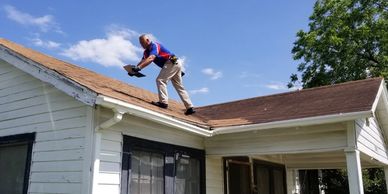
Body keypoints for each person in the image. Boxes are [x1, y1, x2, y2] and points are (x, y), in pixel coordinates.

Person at [132, 34, 195, 115]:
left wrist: (139, 68)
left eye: (142, 42)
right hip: (175, 64)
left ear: (147, 40)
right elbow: (143, 61)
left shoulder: (154, 45)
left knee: (160, 80)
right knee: (179, 86)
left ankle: (163, 102)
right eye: (140, 43)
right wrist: (134, 70)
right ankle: (190, 107)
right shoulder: (146, 52)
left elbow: (151, 58)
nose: (141, 45)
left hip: (171, 62)